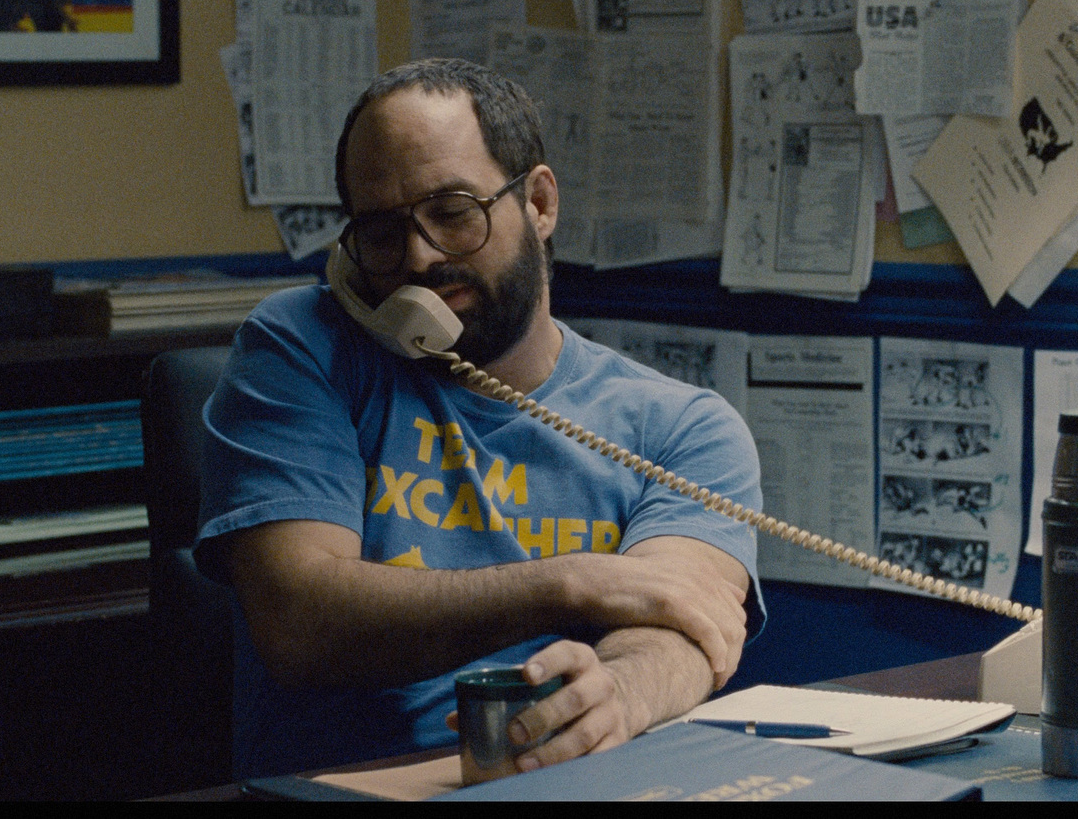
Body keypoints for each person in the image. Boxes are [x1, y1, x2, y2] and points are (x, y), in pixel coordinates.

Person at [193, 58, 765, 779]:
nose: (418, 258)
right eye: (380, 232)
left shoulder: (682, 427)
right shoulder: (302, 346)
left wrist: (616, 694)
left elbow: (685, 628)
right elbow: (299, 621)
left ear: (540, 203)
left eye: (453, 212)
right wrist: (572, 582)